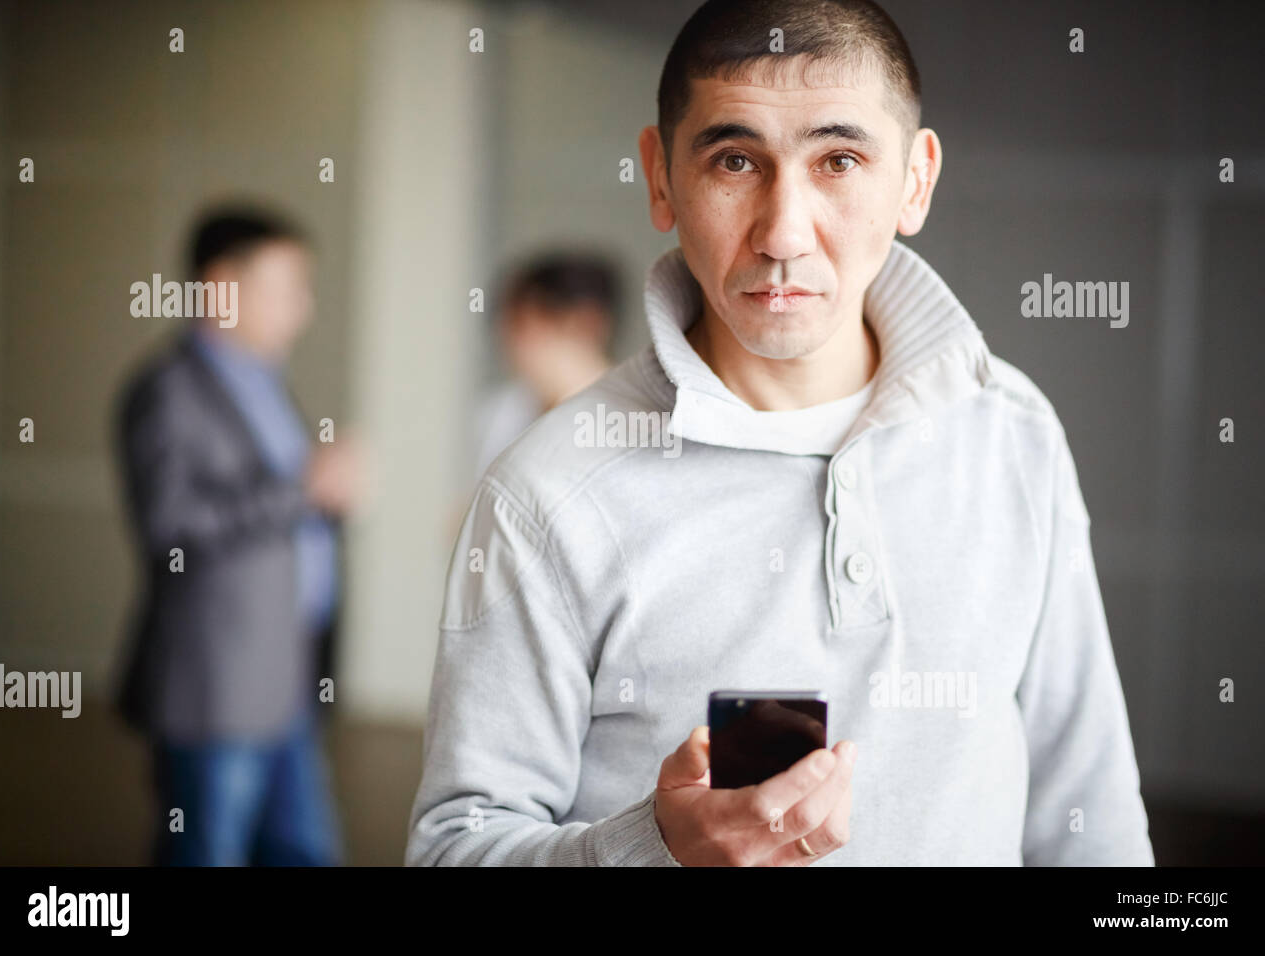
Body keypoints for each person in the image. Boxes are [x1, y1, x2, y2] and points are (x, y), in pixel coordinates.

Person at [408, 0, 1154, 866]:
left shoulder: (1012, 434)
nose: (784, 234)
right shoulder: (546, 495)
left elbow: (1090, 811)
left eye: (839, 160)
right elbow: (450, 850)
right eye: (735, 160)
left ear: (915, 179)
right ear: (659, 177)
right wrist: (652, 849)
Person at [113, 206, 363, 866]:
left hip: (286, 678)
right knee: (205, 852)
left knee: (300, 851)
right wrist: (304, 489)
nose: (302, 308)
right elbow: (169, 523)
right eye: (287, 288)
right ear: (222, 284)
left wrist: (325, 495)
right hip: (216, 689)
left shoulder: (262, 382)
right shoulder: (169, 389)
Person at [471, 252, 620, 484]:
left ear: (587, 323)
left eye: (524, 324)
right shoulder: (504, 411)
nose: (510, 340)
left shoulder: (629, 421)